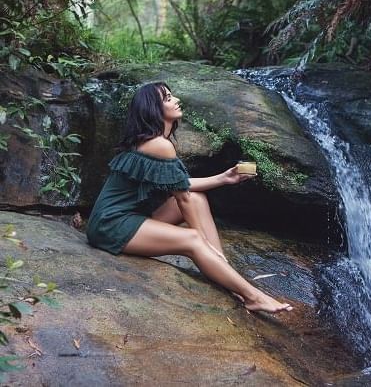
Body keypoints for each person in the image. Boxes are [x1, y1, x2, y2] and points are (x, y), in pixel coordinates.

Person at [86, 81, 293, 313]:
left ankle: (221, 267)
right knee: (193, 238)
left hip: (131, 217)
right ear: (153, 109)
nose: (176, 100)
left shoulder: (152, 141)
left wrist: (224, 177)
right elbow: (181, 198)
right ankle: (253, 296)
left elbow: (182, 187)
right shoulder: (158, 145)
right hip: (111, 224)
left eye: (172, 96)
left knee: (198, 198)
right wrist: (201, 240)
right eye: (167, 98)